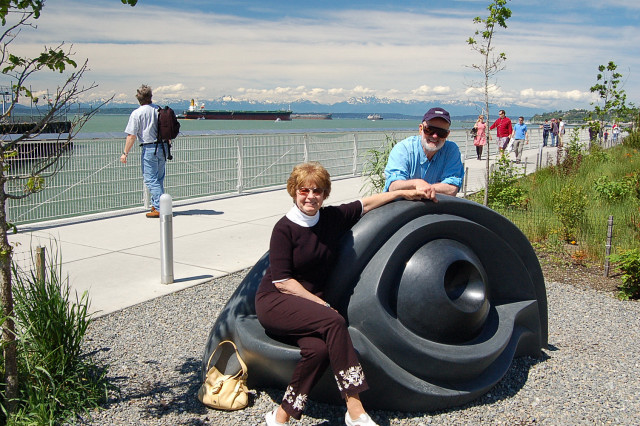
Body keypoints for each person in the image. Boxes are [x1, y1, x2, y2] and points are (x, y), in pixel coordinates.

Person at [256, 162, 429, 426]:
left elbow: (366, 204)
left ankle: (280, 417)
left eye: (317, 191)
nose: (310, 196)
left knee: (317, 351)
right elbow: (282, 282)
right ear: (294, 192)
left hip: (307, 309)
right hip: (276, 302)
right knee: (334, 321)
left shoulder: (330, 218)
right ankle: (355, 408)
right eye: (304, 190)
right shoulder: (284, 229)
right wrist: (322, 305)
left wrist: (402, 193)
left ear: (325, 195)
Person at [383, 107, 464, 198]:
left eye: (441, 133)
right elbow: (394, 186)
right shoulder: (403, 149)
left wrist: (422, 188)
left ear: (447, 134)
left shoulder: (451, 150)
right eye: (429, 130)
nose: (435, 136)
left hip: (434, 208)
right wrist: (417, 183)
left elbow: (452, 189)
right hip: (400, 207)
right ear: (421, 129)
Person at [121, 85, 169, 218]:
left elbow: (131, 136)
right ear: (151, 97)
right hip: (163, 147)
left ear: (139, 99)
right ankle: (156, 205)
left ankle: (161, 208)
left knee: (150, 179)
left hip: (149, 148)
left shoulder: (137, 113)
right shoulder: (159, 110)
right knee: (159, 178)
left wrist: (125, 153)